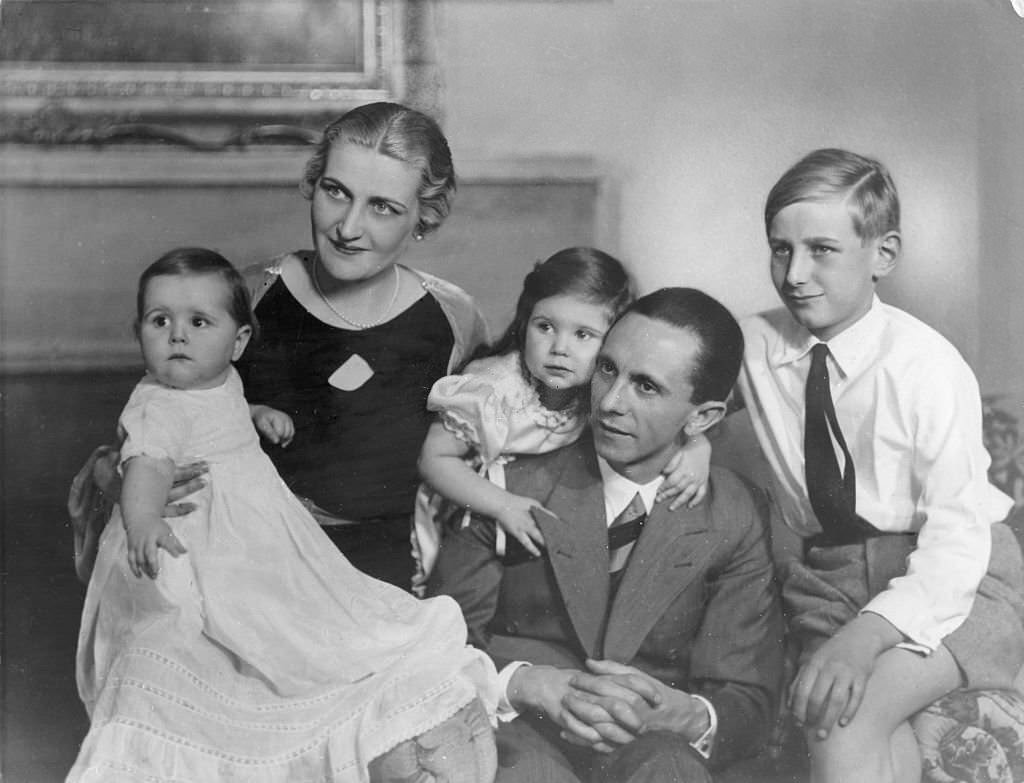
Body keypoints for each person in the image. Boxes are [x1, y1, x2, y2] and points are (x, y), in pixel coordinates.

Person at [69, 248, 498, 783]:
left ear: (239, 342)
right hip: (190, 540)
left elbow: (218, 408)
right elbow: (147, 466)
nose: (178, 336)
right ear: (138, 334)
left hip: (250, 529)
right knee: (211, 633)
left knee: (289, 606)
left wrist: (255, 413)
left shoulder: (215, 381)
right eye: (160, 322)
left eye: (198, 322)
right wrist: (144, 521)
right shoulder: (158, 404)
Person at [69, 101, 489, 590]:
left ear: (424, 216)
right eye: (335, 191)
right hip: (240, 564)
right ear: (313, 183)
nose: (349, 227)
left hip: (383, 575)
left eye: (383, 207)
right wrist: (118, 477)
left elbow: (487, 463)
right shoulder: (243, 297)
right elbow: (150, 419)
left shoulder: (454, 320)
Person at [735, 148, 1024, 783]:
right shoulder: (753, 343)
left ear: (883, 255)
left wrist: (862, 640)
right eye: (780, 249)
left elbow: (957, 539)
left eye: (822, 250)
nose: (795, 273)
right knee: (843, 722)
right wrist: (698, 435)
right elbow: (676, 385)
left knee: (842, 716)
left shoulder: (928, 367)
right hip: (831, 577)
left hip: (957, 577)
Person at [427, 287, 785, 783]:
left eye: (647, 387)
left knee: (672, 772)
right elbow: (435, 647)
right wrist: (526, 684)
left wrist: (686, 713)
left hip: (650, 745)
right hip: (521, 728)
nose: (611, 403)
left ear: (702, 417)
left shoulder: (734, 513)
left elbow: (748, 696)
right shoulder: (511, 481)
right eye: (608, 370)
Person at [412, 247, 710, 593]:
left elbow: (661, 422)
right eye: (545, 327)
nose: (559, 348)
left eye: (583, 335)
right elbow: (433, 460)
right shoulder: (493, 389)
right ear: (525, 324)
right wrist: (501, 504)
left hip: (540, 503)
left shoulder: (602, 386)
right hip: (473, 505)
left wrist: (697, 448)